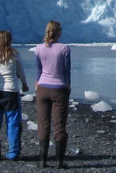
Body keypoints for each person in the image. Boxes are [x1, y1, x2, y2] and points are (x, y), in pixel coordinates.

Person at [0, 30, 29, 161]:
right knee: (13, 123)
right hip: (10, 92)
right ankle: (13, 152)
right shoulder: (14, 54)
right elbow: (20, 70)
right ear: (9, 40)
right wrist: (24, 83)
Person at [34, 20, 71, 168]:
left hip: (42, 88)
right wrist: (68, 86)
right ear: (59, 32)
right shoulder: (64, 48)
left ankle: (42, 161)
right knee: (59, 124)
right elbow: (66, 70)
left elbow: (38, 70)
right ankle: (59, 161)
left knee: (43, 124)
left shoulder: (38, 49)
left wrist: (37, 83)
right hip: (59, 89)